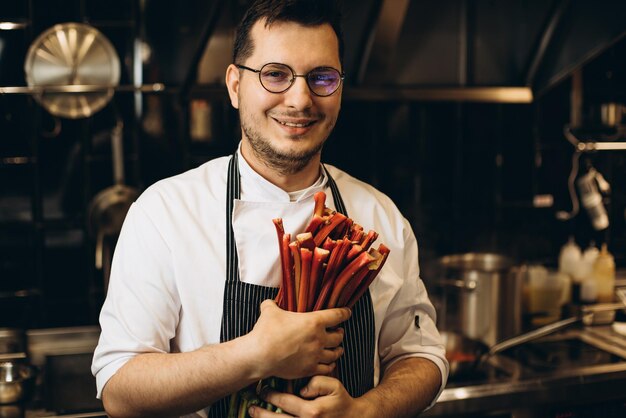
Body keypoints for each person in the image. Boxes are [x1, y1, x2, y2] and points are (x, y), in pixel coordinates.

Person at [91, 0, 448, 417]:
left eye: (322, 77)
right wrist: (255, 355)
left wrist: (363, 413)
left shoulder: (380, 217)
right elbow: (120, 388)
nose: (300, 100)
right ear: (235, 85)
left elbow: (421, 356)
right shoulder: (165, 213)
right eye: (275, 75)